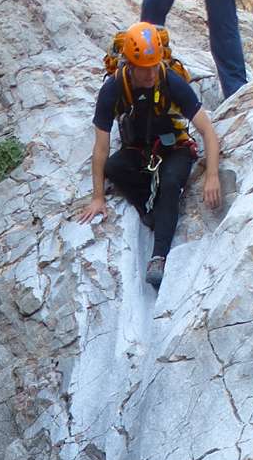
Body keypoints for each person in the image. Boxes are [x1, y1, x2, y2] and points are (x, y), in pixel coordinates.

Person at [79, 21, 221, 290]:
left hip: (175, 147)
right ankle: (152, 212)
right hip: (139, 150)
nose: (151, 74)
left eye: (155, 66)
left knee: (170, 183)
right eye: (144, 69)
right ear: (129, 65)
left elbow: (207, 132)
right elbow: (101, 148)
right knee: (114, 167)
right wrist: (98, 197)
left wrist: (212, 175)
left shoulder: (170, 81)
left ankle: (159, 257)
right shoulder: (114, 88)